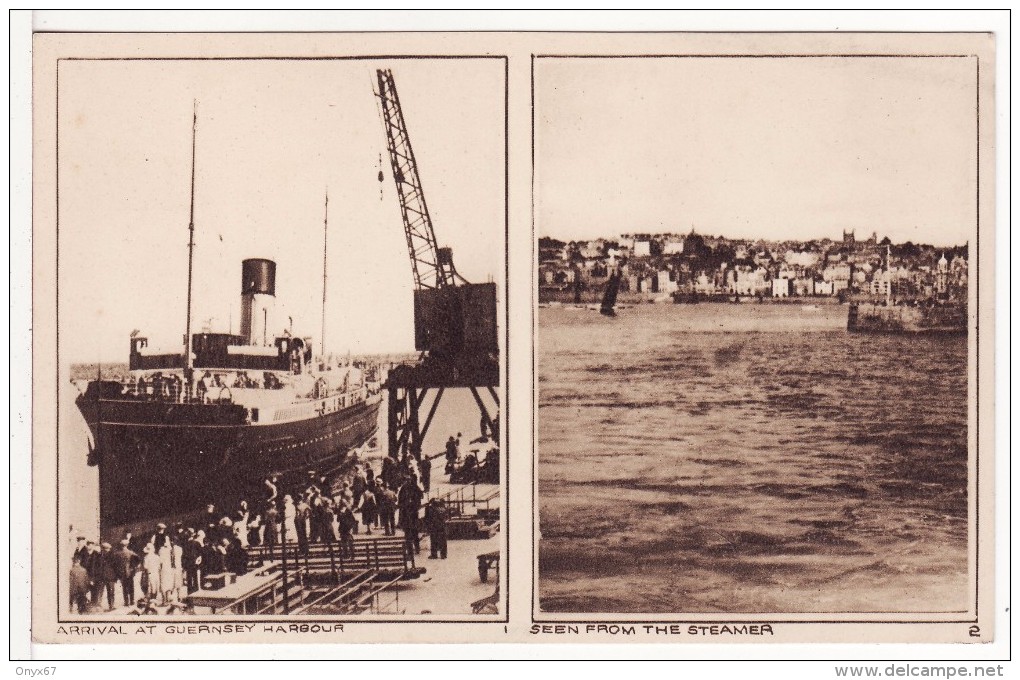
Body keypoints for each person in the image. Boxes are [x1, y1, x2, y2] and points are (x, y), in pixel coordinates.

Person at [113, 538, 139, 607]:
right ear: (127, 545)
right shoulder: (131, 553)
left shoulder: (117, 554)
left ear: (121, 545)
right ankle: (132, 601)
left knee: (124, 587)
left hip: (122, 572)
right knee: (131, 587)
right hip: (130, 572)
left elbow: (115, 564)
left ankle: (126, 602)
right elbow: (138, 560)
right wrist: (133, 567)